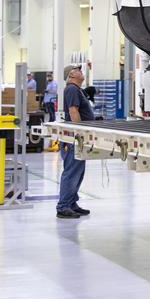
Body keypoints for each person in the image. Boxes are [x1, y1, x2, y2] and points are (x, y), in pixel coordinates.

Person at [56, 65, 93, 218]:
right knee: (71, 172)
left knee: (78, 171)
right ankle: (63, 206)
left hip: (77, 137)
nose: (81, 71)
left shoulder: (77, 90)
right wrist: (80, 133)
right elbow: (73, 110)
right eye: (78, 70)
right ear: (71, 75)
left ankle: (71, 203)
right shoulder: (71, 88)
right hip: (74, 138)